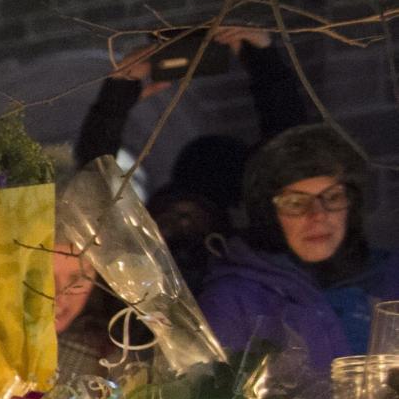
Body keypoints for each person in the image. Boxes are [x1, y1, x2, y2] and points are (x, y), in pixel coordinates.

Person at [73, 27, 309, 292]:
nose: (181, 224)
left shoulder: (253, 263)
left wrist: (117, 94)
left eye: (188, 216)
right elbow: (95, 188)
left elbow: (295, 162)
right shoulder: (138, 263)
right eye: (177, 215)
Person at [199, 124, 399, 371]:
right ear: (269, 214)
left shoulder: (390, 279)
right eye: (295, 203)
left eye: (333, 197)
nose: (318, 215)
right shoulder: (235, 302)